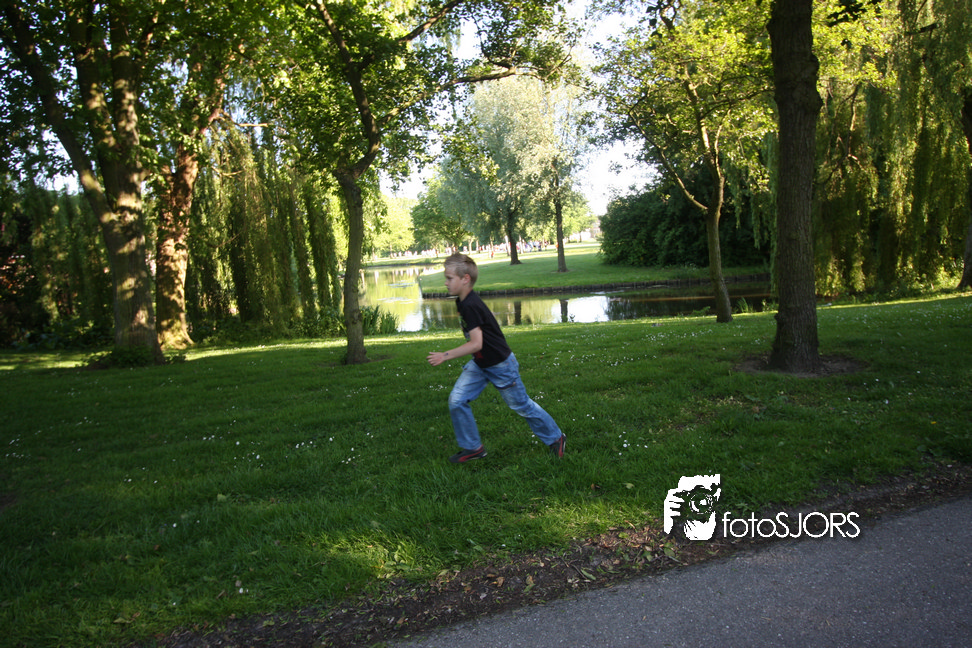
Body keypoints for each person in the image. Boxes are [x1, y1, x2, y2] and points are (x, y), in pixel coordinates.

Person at [427, 253, 566, 463]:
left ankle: (556, 438)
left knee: (522, 405)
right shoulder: (462, 301)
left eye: (449, 278)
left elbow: (476, 343)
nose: (446, 283)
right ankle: (473, 448)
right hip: (481, 363)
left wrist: (444, 356)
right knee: (457, 400)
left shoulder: (470, 305)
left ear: (465, 279)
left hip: (501, 365)